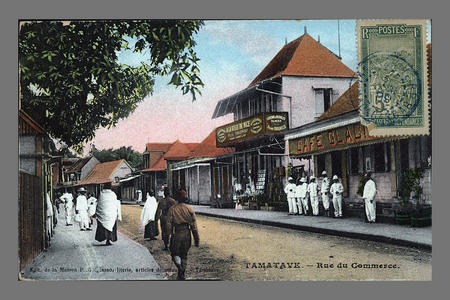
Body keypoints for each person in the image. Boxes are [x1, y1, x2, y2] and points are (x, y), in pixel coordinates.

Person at [166, 189, 200, 280]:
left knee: (175, 253)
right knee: (184, 254)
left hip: (176, 234)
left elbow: (168, 225)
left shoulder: (172, 209)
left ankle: (180, 269)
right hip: (187, 234)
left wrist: (168, 236)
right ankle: (182, 273)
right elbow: (194, 226)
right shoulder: (189, 209)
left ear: (176, 198)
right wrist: (196, 239)